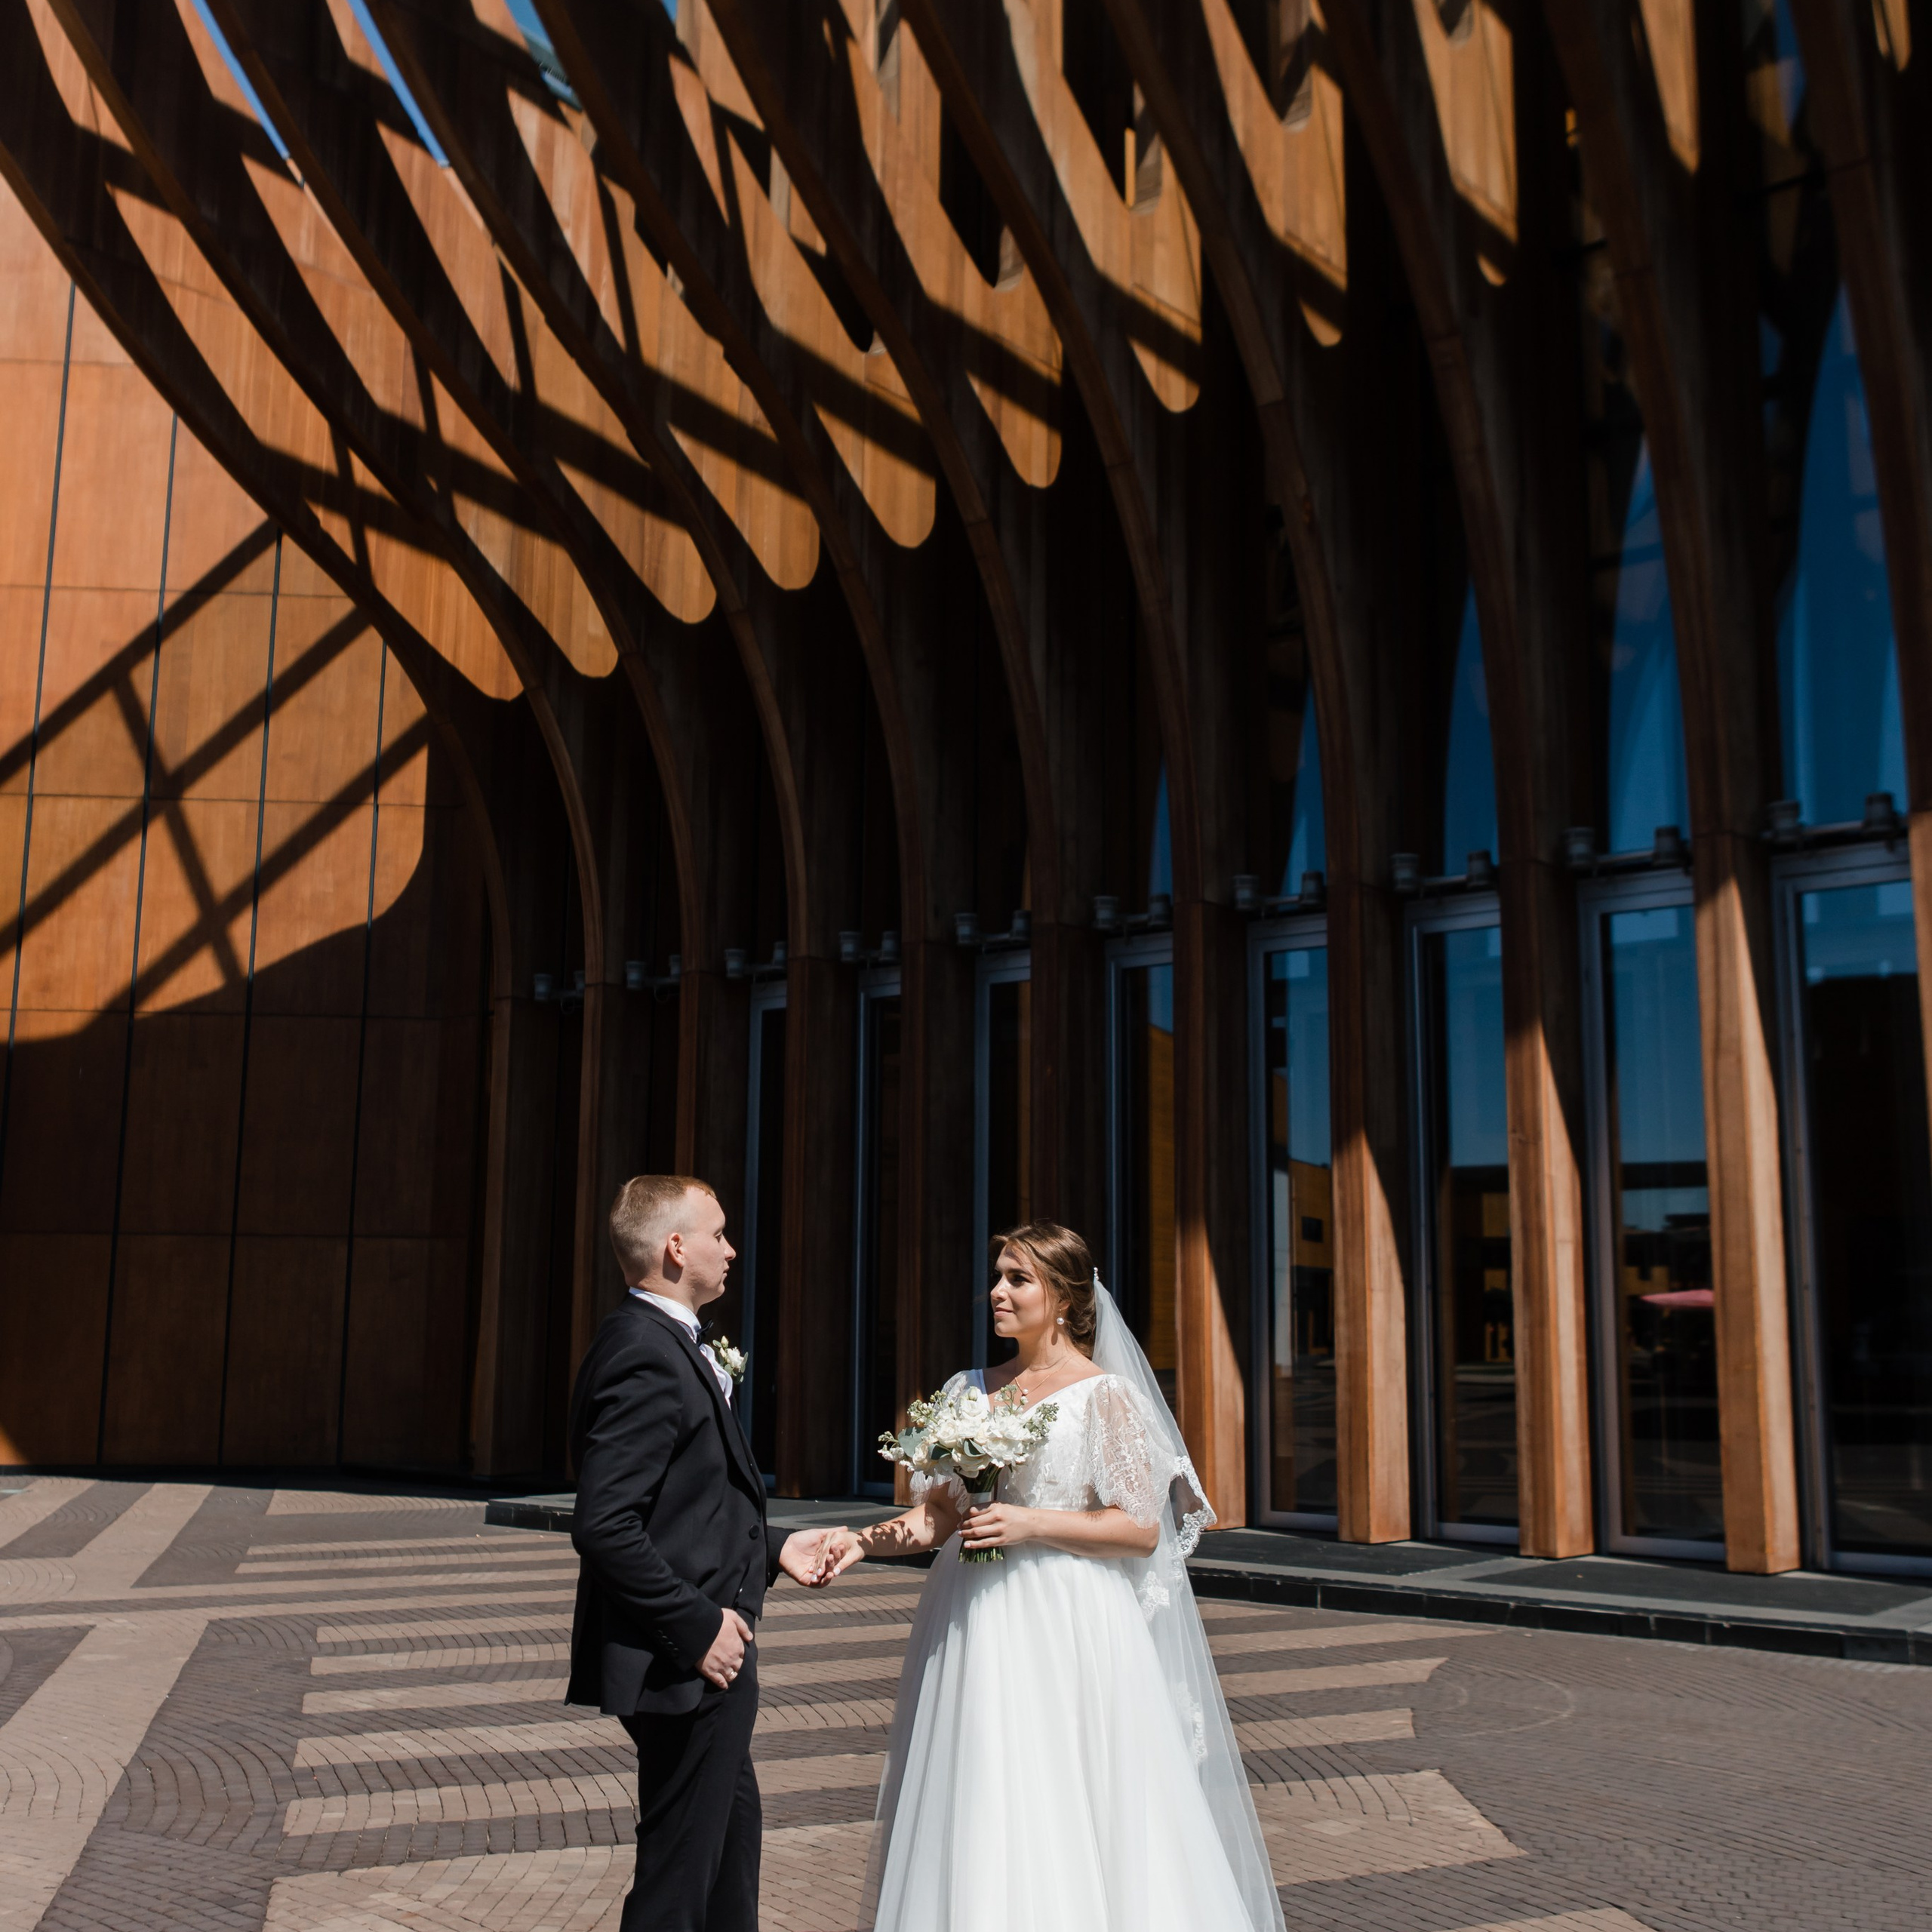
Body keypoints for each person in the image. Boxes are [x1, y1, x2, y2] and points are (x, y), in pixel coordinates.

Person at [815, 1220, 1286, 1932]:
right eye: (998, 1276)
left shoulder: (1106, 1398)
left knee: (1074, 1789)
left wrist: (1032, 1523)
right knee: (980, 1782)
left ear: (1064, 1297)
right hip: (975, 1616)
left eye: (1017, 1279)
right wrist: (861, 1543)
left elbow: (1140, 1528)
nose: (996, 1292)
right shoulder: (967, 1389)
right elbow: (938, 1516)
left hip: (1072, 1621)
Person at [568, 1174, 832, 1932]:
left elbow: (684, 1504)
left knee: (724, 1864)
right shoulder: (645, 1353)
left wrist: (774, 1546)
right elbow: (606, 1522)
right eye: (717, 1232)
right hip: (685, 1662)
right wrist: (697, 1627)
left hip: (698, 1658)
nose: (732, 1247)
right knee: (677, 1884)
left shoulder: (655, 1340)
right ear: (675, 1247)